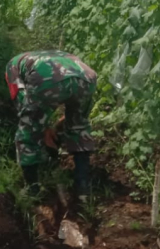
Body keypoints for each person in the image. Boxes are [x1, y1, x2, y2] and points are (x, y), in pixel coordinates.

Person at [5, 51, 97, 201]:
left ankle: (32, 188)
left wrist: (41, 128)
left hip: (48, 78)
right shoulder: (61, 56)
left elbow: (22, 102)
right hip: (87, 77)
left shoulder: (12, 66)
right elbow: (73, 109)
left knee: (28, 131)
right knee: (79, 127)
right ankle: (83, 189)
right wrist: (50, 127)